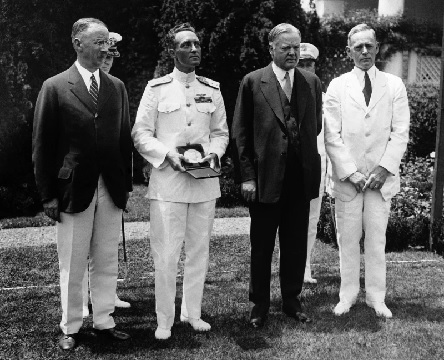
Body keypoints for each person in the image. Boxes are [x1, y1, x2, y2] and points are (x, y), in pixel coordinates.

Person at [32, 18, 133, 350]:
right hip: (72, 189)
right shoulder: (55, 86)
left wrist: (125, 185)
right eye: (99, 42)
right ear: (77, 43)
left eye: (107, 41)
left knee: (106, 258)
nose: (106, 47)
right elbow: (42, 146)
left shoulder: (116, 87)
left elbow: (122, 140)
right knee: (73, 262)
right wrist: (47, 195)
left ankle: (104, 320)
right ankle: (71, 326)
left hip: (110, 187)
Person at [132, 23, 229, 340]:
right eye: (186, 45)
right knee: (167, 255)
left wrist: (214, 154)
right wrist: (166, 154)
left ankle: (193, 313)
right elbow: (141, 134)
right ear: (172, 52)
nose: (194, 49)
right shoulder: (156, 88)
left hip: (203, 184)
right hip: (169, 185)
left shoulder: (211, 88)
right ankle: (164, 319)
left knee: (199, 252)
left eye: (197, 44)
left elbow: (220, 133)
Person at [231, 23, 322, 328]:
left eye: (297, 46)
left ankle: (292, 301)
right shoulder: (253, 82)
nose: (293, 52)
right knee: (262, 245)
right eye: (286, 47)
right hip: (265, 179)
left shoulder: (312, 82)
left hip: (300, 179)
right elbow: (240, 134)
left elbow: (314, 128)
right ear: (271, 49)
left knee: (295, 244)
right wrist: (247, 176)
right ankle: (259, 304)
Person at [324, 23, 410, 318]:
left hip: (379, 180)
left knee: (376, 239)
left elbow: (400, 132)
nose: (364, 52)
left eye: (369, 46)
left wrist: (384, 169)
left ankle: (376, 297)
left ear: (377, 48)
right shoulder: (337, 86)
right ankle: (347, 296)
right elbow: (331, 135)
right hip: (350, 181)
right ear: (349, 52)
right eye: (358, 47)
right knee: (347, 239)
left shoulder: (394, 85)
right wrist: (350, 172)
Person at [81, 31, 130, 316]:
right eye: (106, 56)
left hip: (111, 179)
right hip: (84, 178)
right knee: (83, 244)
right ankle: (82, 299)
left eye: (112, 58)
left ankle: (107, 294)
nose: (108, 62)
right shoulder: (80, 85)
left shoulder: (115, 88)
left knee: (108, 245)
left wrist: (125, 179)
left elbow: (123, 135)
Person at [296, 43, 328, 284]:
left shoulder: (326, 99)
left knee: (311, 219)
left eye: (309, 64)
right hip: (291, 166)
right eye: (301, 63)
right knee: (287, 220)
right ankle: (289, 265)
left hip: (317, 166)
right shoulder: (285, 94)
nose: (306, 68)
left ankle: (304, 267)